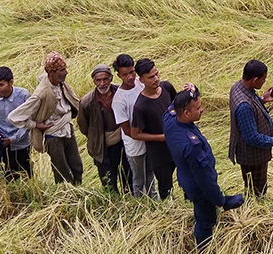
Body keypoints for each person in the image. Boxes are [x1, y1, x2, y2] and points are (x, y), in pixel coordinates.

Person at [164, 86, 244, 248]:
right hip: (199, 189)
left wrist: (193, 91)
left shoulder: (169, 119)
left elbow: (173, 105)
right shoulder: (192, 146)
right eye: (198, 108)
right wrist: (221, 201)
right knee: (205, 221)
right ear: (186, 113)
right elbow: (205, 180)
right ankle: (204, 252)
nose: (202, 110)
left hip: (185, 178)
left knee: (201, 213)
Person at [8, 52, 82, 185]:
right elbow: (14, 117)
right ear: (51, 72)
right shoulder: (41, 93)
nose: (66, 73)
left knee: (77, 168)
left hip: (67, 128)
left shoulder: (61, 83)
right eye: (62, 70)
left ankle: (79, 194)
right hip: (52, 135)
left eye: (65, 68)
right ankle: (65, 200)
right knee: (62, 173)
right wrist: (35, 125)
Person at [130, 58, 193, 200]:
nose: (156, 79)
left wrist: (191, 92)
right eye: (151, 77)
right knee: (166, 188)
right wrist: (161, 137)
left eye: (157, 74)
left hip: (178, 146)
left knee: (188, 181)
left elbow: (181, 107)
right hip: (160, 154)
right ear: (141, 80)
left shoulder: (167, 88)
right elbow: (135, 133)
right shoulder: (140, 106)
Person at [228, 59, 273, 198]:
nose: (264, 82)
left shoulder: (238, 87)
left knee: (251, 186)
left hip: (249, 154)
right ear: (254, 80)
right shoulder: (244, 106)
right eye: (263, 79)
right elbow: (252, 137)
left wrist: (263, 99)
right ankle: (256, 211)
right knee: (257, 190)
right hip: (253, 156)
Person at [77, 64, 129, 193]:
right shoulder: (87, 102)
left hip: (123, 143)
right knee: (108, 183)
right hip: (101, 148)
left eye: (105, 79)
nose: (102, 83)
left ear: (111, 78)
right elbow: (83, 126)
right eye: (98, 80)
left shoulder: (121, 93)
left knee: (128, 178)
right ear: (94, 81)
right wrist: (97, 137)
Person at [112, 54, 156, 199]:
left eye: (132, 72)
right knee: (139, 179)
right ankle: (141, 206)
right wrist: (151, 136)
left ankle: (155, 203)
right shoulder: (119, 100)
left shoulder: (140, 83)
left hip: (148, 139)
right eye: (125, 74)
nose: (130, 77)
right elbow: (127, 130)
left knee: (150, 174)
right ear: (118, 75)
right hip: (134, 145)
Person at [0, 66, 32, 180]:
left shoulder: (23, 95)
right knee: (3, 174)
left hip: (20, 142)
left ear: (11, 82)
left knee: (24, 175)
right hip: (0, 139)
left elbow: (28, 123)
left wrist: (12, 139)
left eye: (1, 85)